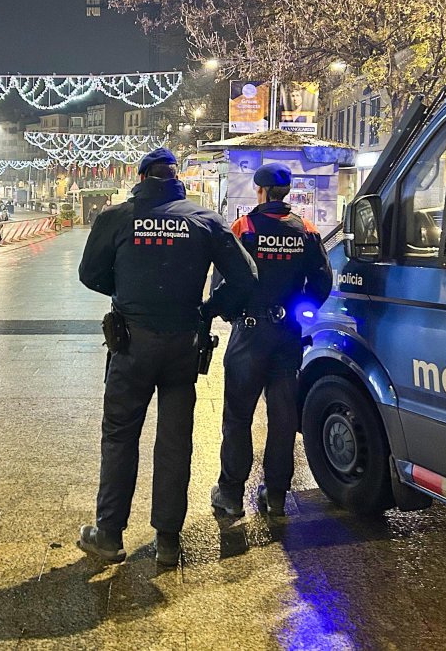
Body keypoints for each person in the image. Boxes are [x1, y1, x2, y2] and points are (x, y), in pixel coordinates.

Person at [77, 147, 258, 567]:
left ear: (142, 178)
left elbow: (90, 274)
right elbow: (246, 277)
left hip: (131, 344)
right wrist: (209, 309)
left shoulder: (116, 218)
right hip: (183, 344)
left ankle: (109, 535)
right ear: (177, 179)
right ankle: (168, 541)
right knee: (176, 441)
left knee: (120, 436)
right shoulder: (205, 220)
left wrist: (126, 291)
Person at [211, 162, 332, 519]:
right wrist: (301, 310)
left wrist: (230, 313)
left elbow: (224, 281)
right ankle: (276, 494)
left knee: (238, 416)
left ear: (260, 191)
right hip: (287, 336)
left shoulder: (244, 227)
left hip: (250, 333)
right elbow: (322, 281)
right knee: (282, 416)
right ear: (288, 192)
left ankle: (231, 494)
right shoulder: (307, 230)